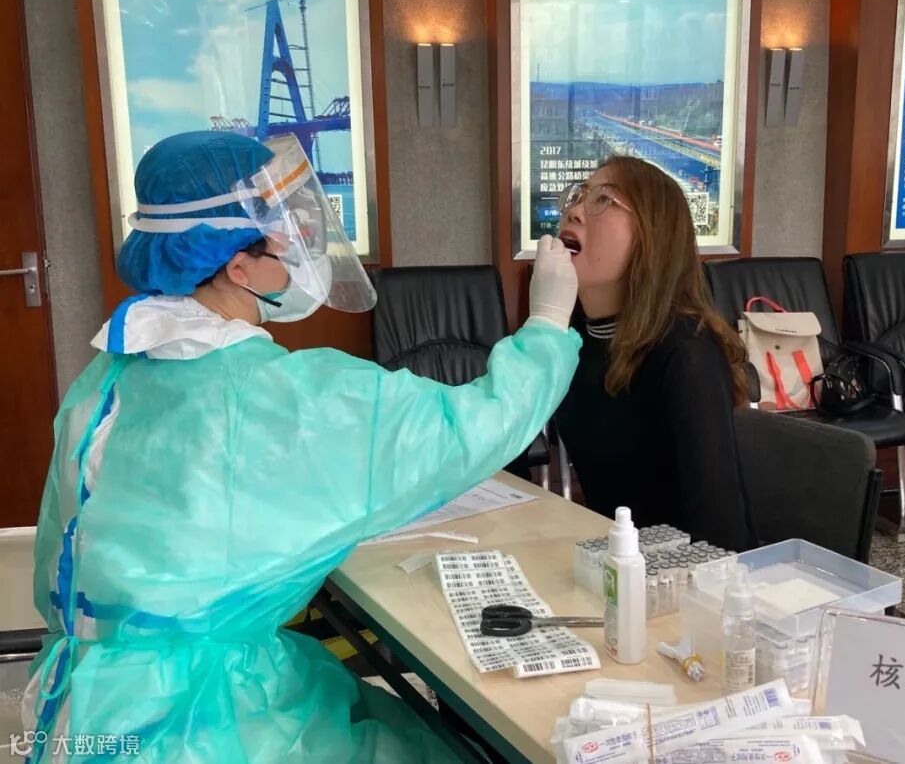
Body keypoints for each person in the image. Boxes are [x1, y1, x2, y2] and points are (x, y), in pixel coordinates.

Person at [23, 130, 580, 763]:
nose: (298, 243)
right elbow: (473, 425)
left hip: (87, 701)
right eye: (279, 231)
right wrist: (547, 322)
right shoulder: (275, 394)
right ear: (237, 268)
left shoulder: (109, 374)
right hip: (206, 723)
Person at [554, 156, 754, 551]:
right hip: (611, 563)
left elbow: (719, 535)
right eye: (578, 196)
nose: (574, 211)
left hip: (680, 576)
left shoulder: (686, 355)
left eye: (603, 199)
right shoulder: (574, 337)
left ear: (651, 235)